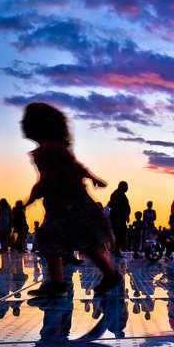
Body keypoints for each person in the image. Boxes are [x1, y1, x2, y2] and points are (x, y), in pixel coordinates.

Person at [19, 103, 122, 297]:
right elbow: (77, 167)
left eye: (26, 121)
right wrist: (92, 178)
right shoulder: (57, 148)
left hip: (64, 204)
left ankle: (59, 283)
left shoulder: (47, 150)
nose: (22, 124)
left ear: (37, 126)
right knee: (85, 242)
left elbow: (49, 179)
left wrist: (31, 198)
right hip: (73, 201)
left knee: (53, 241)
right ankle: (107, 274)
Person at [107, 181, 131, 256]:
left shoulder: (121, 194)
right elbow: (117, 207)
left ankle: (117, 250)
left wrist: (126, 216)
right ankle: (116, 251)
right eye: (126, 186)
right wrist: (123, 215)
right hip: (118, 219)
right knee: (119, 235)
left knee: (121, 235)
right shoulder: (117, 194)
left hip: (121, 218)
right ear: (122, 186)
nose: (127, 188)